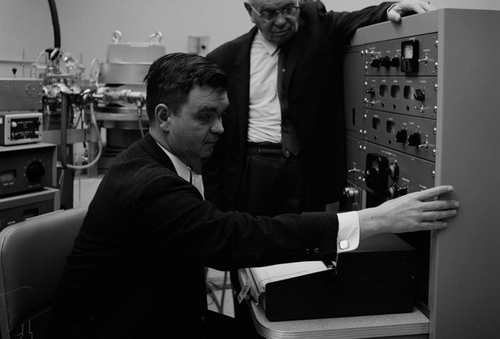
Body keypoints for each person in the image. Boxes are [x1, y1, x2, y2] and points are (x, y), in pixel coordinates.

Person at [44, 53, 458, 339]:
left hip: (156, 313)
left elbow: (213, 239)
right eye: (205, 116)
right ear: (163, 117)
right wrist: (376, 220)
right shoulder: (147, 183)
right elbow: (231, 237)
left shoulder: (171, 159)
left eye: (222, 114)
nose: (221, 128)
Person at [203, 0, 435, 217]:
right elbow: (216, 146)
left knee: (305, 246)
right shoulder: (223, 59)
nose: (281, 21)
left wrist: (393, 7)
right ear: (250, 11)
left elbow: (357, 18)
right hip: (253, 169)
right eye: (269, 13)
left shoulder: (318, 27)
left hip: (306, 172)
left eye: (289, 9)